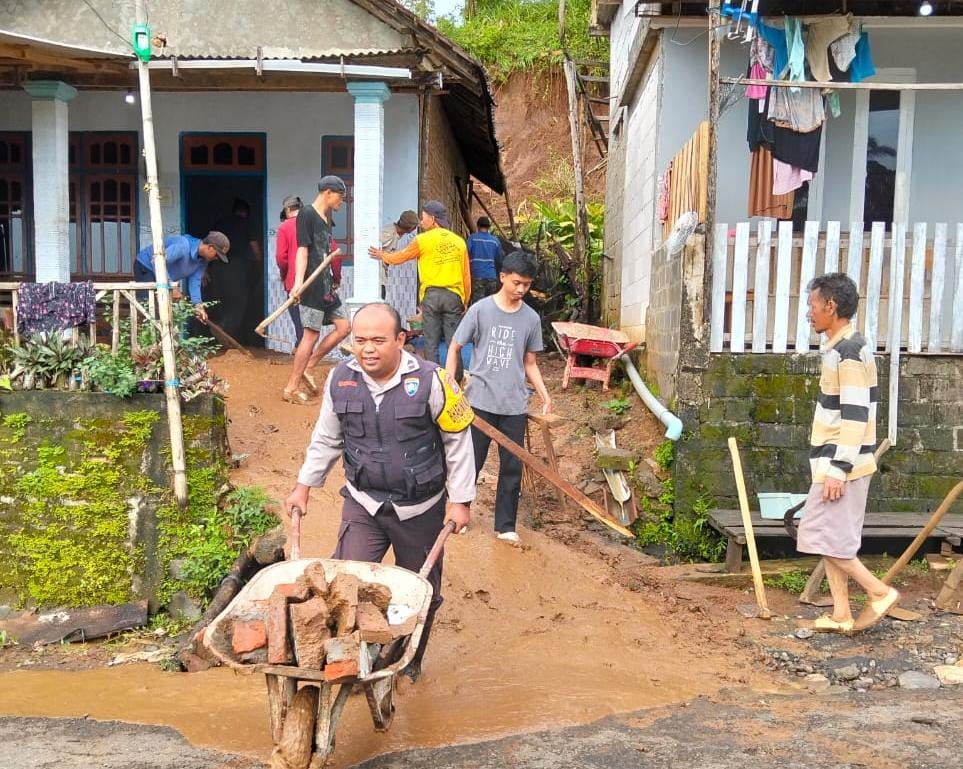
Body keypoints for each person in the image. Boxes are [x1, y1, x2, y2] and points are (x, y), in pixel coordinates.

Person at [283, 302, 475, 682]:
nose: (367, 349)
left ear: (400, 340)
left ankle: (409, 660)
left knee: (421, 591)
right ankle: (350, 663)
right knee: (345, 582)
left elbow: (457, 441)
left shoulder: (433, 381)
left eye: (378, 340)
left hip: (420, 507)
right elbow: (326, 439)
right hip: (364, 501)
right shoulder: (340, 379)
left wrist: (460, 500)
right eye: (359, 341)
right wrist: (303, 487)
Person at [796, 272, 899, 634]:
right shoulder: (842, 348)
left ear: (831, 305)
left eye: (812, 305)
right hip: (837, 462)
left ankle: (879, 591)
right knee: (832, 537)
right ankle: (841, 613)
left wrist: (838, 468)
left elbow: (856, 415)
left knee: (819, 534)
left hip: (843, 465)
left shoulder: (849, 352)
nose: (809, 312)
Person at [445, 250, 551, 545]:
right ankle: (460, 514)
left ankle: (505, 525)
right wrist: (450, 382)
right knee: (471, 462)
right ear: (503, 277)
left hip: (514, 405)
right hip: (479, 403)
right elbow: (455, 346)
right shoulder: (480, 310)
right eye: (517, 283)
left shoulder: (531, 318)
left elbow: (530, 362)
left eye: (527, 285)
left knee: (512, 467)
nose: (521, 289)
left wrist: (544, 395)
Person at [368, 201, 470, 378]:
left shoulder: (422, 240)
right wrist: (465, 300)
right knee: (454, 341)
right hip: (453, 296)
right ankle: (457, 380)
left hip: (431, 297)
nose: (421, 222)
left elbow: (401, 257)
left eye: (423, 218)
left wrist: (383, 255)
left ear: (433, 219)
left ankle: (433, 378)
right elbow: (466, 275)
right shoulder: (459, 242)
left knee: (431, 341)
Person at [282, 175, 351, 405]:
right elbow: (302, 250)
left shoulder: (325, 217)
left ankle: (309, 366)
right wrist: (298, 283)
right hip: (312, 286)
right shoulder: (307, 214)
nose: (341, 201)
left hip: (326, 285)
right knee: (310, 335)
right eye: (340, 196)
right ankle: (291, 387)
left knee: (344, 326)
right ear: (328, 192)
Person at [276, 195, 343, 351]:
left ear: (287, 210)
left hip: (295, 284)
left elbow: (281, 257)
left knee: (302, 327)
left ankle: (303, 353)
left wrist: (285, 275)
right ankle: (307, 353)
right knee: (332, 323)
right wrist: (336, 278)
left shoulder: (284, 227)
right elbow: (335, 255)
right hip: (320, 283)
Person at [134, 231, 230, 323]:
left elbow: (195, 283)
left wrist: (198, 306)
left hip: (164, 276)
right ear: (210, 247)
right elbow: (157, 262)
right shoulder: (183, 246)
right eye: (217, 255)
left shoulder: (202, 262)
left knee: (164, 310)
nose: (216, 258)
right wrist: (172, 286)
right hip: (146, 267)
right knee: (148, 307)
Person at [211, 198, 262, 342]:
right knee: (239, 303)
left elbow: (210, 243)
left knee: (223, 301)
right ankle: (223, 327)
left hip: (217, 266)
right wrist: (260, 263)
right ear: (246, 212)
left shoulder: (221, 222)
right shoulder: (247, 223)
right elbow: (254, 246)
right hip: (237, 268)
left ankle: (226, 336)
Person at [382, 209, 419, 316]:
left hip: (383, 277)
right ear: (411, 227)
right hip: (377, 278)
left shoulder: (396, 234)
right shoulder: (388, 233)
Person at [466, 216, 503, 304]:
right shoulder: (495, 241)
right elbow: (500, 259)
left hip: (477, 276)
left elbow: (466, 254)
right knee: (490, 303)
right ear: (489, 227)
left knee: (478, 304)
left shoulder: (472, 238)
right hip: (491, 276)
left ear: (478, 226)